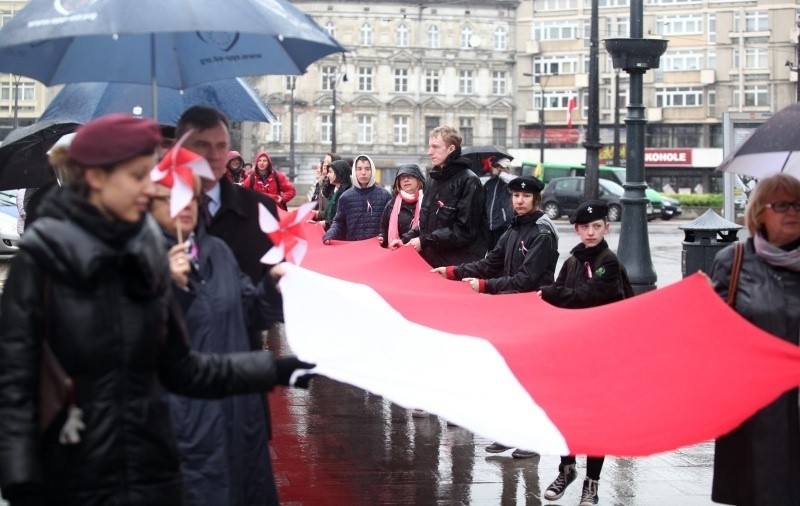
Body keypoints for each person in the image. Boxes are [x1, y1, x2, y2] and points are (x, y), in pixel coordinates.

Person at [0, 114, 313, 506]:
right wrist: (21, 482)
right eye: (137, 177)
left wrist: (277, 369)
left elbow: (181, 367)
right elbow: (17, 381)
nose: (149, 191)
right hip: (82, 469)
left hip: (156, 467)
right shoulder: (45, 255)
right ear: (96, 179)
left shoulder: (155, 249)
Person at [175, 106, 283, 503]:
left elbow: (264, 307)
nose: (216, 155)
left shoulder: (259, 211)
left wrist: (278, 286)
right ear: (182, 150)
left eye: (222, 146)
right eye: (203, 146)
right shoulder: (157, 223)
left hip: (240, 372)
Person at [150, 176, 279, 506]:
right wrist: (166, 288)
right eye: (170, 199)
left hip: (236, 409)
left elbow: (251, 312)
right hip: (185, 415)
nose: (183, 206)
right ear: (148, 207)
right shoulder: (138, 259)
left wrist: (271, 286)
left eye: (190, 198)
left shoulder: (217, 251)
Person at [708, 174, 800, 506]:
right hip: (755, 414)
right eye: (782, 205)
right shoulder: (733, 262)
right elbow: (715, 336)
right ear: (760, 212)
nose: (793, 212)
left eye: (799, 204)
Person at [537, 200, 628, 505]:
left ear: (606, 228)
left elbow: (586, 298)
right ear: (576, 230)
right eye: (585, 228)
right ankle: (567, 469)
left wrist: (552, 292)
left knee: (595, 420)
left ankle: (592, 482)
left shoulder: (609, 262)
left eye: (596, 227)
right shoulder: (572, 262)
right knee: (566, 414)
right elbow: (559, 303)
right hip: (573, 351)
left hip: (602, 354)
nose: (590, 233)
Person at [431, 175, 558, 295]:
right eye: (516, 195)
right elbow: (490, 263)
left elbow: (525, 279)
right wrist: (453, 271)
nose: (520, 201)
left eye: (526, 196)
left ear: (536, 199)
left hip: (534, 303)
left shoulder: (542, 234)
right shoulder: (514, 228)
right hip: (512, 298)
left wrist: (485, 285)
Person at [389, 126, 488, 267]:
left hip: (457, 265)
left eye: (435, 147)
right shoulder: (433, 179)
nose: (429, 152)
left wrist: (424, 241)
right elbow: (425, 225)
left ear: (451, 149)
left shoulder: (469, 181)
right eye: (429, 147)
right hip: (432, 260)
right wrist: (405, 239)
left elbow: (464, 232)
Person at [323, 155, 392, 244]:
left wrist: (384, 236)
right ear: (354, 171)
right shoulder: (346, 197)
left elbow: (391, 224)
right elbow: (339, 222)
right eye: (359, 169)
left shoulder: (385, 195)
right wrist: (329, 234)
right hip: (355, 248)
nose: (363, 173)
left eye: (367, 169)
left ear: (372, 171)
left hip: (378, 249)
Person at [378, 163, 425, 248]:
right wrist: (382, 238)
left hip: (423, 253)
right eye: (402, 178)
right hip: (398, 251)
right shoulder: (391, 204)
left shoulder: (426, 202)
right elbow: (384, 229)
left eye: (409, 176)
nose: (405, 180)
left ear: (418, 179)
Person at [484, 157, 516, 251]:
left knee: (502, 252)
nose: (497, 168)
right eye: (496, 166)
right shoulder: (490, 183)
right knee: (491, 253)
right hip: (490, 224)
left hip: (503, 224)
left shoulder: (509, 182)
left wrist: (501, 173)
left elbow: (514, 183)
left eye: (500, 167)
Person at [308, 152, 341, 225]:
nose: (325, 164)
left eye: (328, 162)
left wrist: (318, 216)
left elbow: (333, 212)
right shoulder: (323, 183)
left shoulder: (336, 185)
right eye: (324, 161)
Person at [321, 158, 352, 232]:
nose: (327, 175)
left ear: (339, 173)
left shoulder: (346, 194)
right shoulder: (335, 192)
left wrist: (326, 224)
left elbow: (343, 220)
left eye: (330, 172)